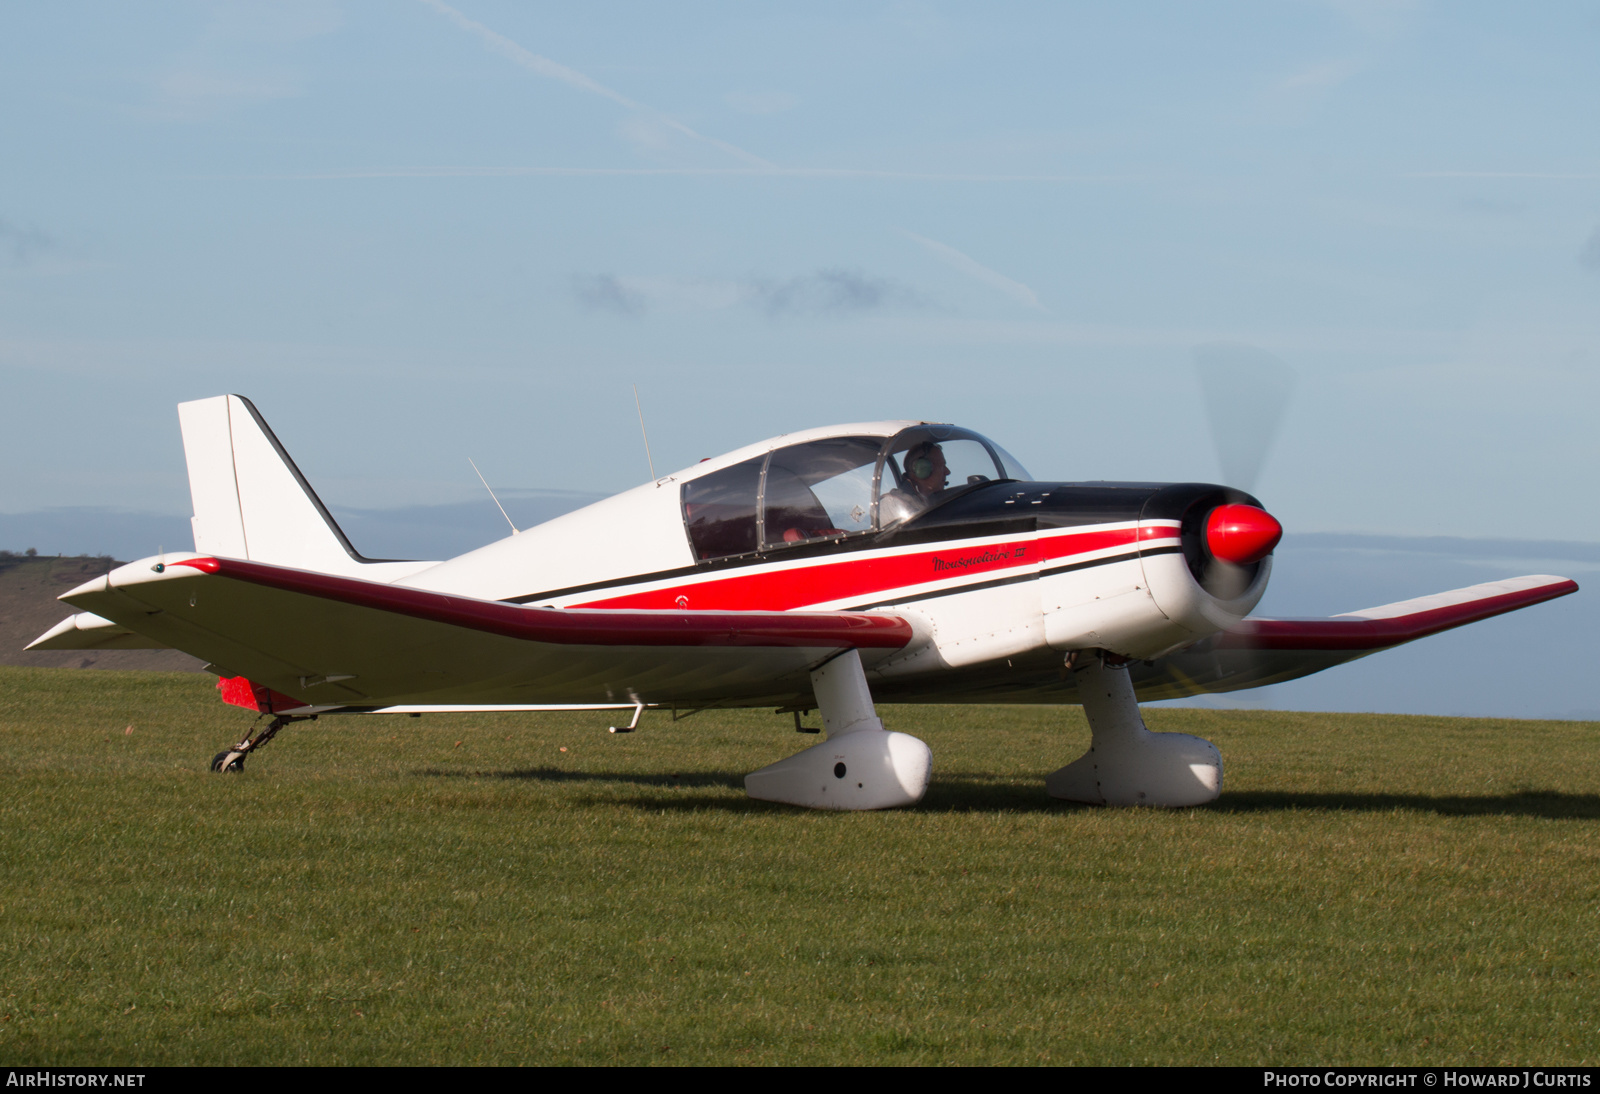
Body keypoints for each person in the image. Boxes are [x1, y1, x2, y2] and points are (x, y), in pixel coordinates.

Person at [877, 441, 949, 526]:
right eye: (942, 465)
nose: (947, 472)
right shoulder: (891, 503)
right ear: (922, 469)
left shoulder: (936, 503)